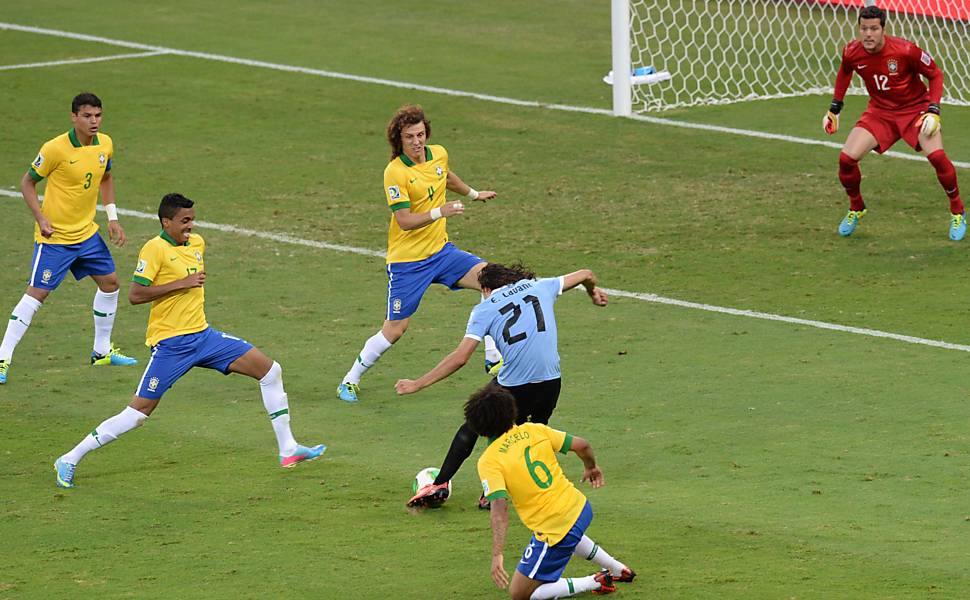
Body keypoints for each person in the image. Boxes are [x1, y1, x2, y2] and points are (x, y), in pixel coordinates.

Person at [53, 193, 325, 488]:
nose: (190, 226)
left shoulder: (197, 244)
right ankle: (69, 458)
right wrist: (180, 284)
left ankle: (288, 449)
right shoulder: (154, 250)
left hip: (204, 337)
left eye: (192, 220)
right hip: (171, 345)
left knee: (270, 371)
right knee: (138, 414)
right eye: (184, 221)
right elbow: (135, 295)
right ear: (166, 221)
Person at [396, 263, 607, 508]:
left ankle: (442, 483)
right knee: (532, 434)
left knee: (475, 425)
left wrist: (418, 384)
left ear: (486, 288)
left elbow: (460, 357)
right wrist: (593, 292)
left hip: (514, 385)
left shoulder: (484, 309)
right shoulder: (540, 286)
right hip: (551, 382)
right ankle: (527, 486)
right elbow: (586, 273)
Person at [336, 104, 503, 403]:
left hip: (442, 252)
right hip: (408, 263)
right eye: (410, 136)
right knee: (395, 330)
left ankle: (491, 355)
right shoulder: (395, 172)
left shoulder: (438, 153)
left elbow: (446, 177)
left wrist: (474, 194)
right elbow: (404, 221)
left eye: (421, 134)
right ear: (398, 139)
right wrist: (442, 211)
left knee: (492, 281)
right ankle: (350, 379)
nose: (417, 141)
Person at [0, 92, 138, 385]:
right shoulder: (54, 149)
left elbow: (106, 176)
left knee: (111, 283)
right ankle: (3, 357)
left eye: (98, 115)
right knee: (37, 294)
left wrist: (112, 218)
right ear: (74, 116)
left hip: (87, 233)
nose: (94, 121)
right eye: (87, 116)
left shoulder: (105, 144)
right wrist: (41, 218)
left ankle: (101, 352)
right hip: (55, 238)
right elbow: (27, 182)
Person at [465, 386, 635, 599]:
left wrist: (497, 554)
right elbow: (582, 446)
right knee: (568, 533)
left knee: (520, 593)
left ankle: (595, 581)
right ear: (512, 411)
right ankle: (617, 568)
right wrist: (591, 467)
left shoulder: (489, 461)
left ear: (478, 428)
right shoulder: (534, 430)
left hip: (555, 527)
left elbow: (499, 509)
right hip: (580, 508)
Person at [823, 5, 964, 240]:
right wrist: (835, 107)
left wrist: (933, 110)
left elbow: (936, 74)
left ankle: (957, 211)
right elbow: (845, 72)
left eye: (873, 29)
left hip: (915, 111)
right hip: (880, 113)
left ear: (883, 30)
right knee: (846, 159)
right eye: (864, 28)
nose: (868, 34)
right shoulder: (852, 52)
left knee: (937, 157)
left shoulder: (905, 50)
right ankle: (856, 206)